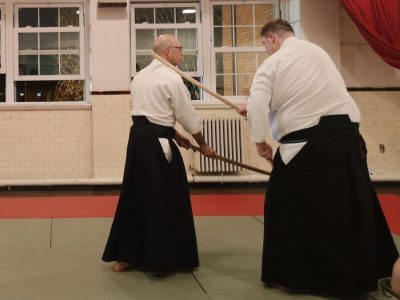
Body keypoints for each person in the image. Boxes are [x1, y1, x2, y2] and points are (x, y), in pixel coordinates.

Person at [240, 19, 399, 297]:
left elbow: (258, 103)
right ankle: (372, 271)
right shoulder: (318, 52)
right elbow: (303, 98)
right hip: (349, 140)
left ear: (271, 39)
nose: (266, 49)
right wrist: (264, 113)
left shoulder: (273, 63)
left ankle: (291, 276)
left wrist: (258, 140)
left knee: (283, 204)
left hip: (311, 145)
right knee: (349, 206)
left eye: (265, 44)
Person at [102, 34, 216, 275]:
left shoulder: (140, 77)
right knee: (166, 197)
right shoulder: (172, 79)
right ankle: (164, 258)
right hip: (157, 145)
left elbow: (148, 115)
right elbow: (189, 118)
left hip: (139, 143)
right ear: (167, 52)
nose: (182, 53)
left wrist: (174, 134)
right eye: (179, 48)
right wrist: (203, 145)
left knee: (137, 196)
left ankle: (127, 256)